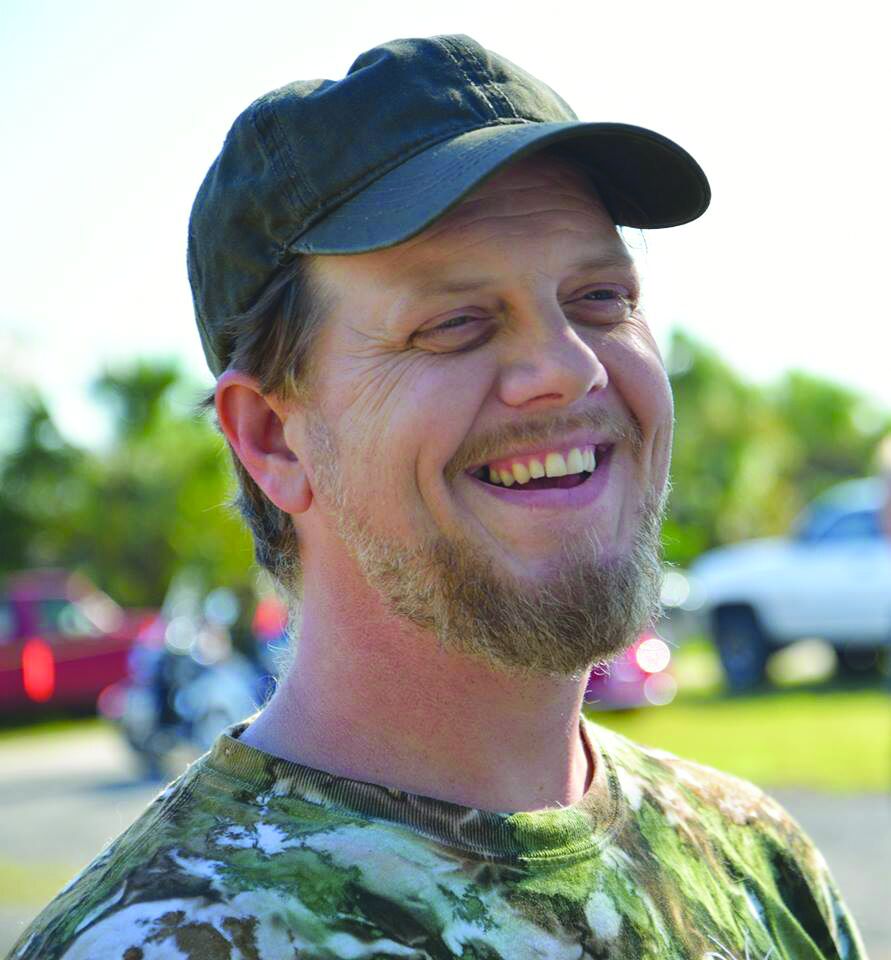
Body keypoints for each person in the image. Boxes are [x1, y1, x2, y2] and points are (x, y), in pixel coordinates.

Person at [10, 35, 866, 960]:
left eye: (599, 298)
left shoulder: (755, 859)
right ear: (272, 438)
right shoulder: (173, 941)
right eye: (455, 322)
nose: (568, 368)